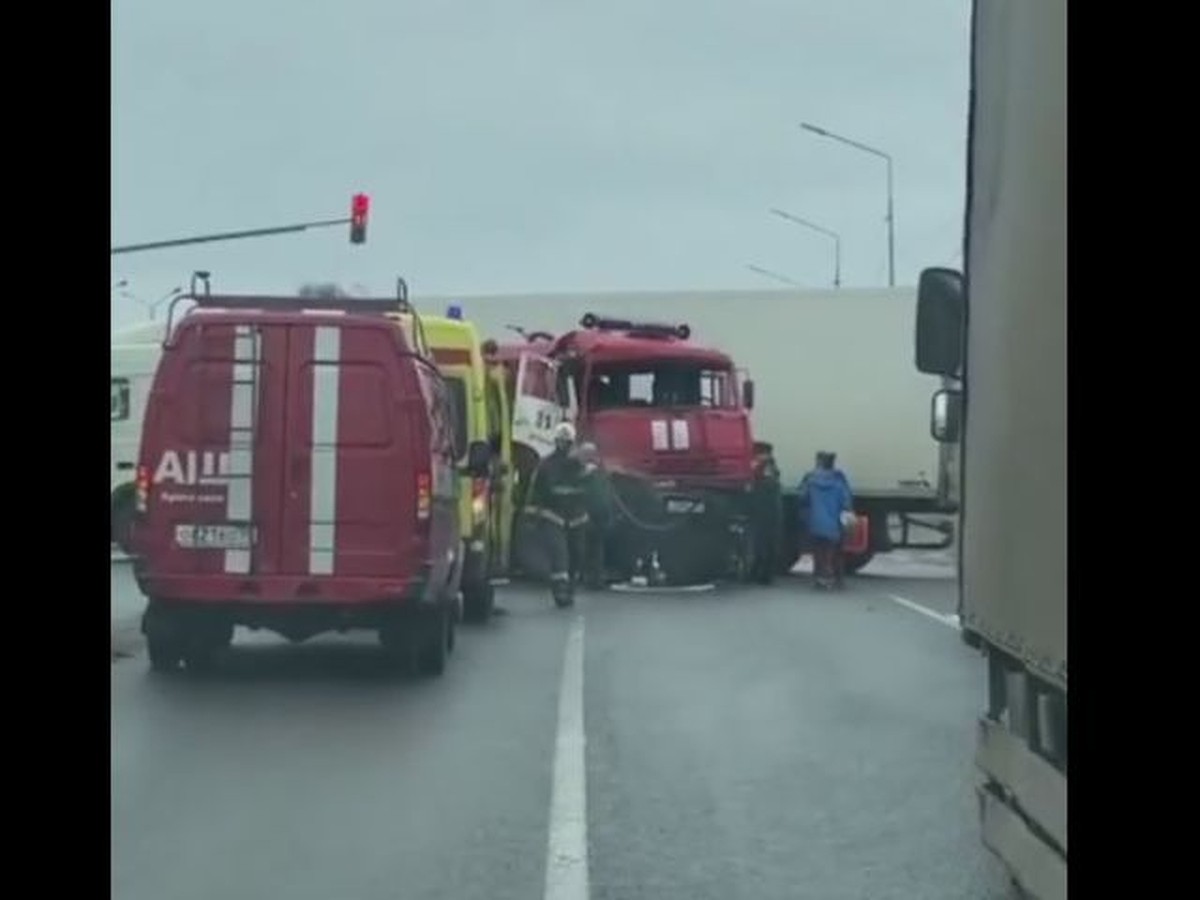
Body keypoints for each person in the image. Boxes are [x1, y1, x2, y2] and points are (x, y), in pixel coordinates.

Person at [522, 422, 589, 607]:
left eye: (567, 442)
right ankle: (560, 591)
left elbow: (590, 490)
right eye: (561, 441)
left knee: (577, 554)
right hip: (553, 516)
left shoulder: (580, 466)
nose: (564, 445)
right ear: (556, 441)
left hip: (576, 518)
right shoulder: (546, 465)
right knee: (560, 554)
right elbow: (535, 492)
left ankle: (570, 587)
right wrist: (530, 517)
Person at [799, 450, 854, 590]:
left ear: (819, 462)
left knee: (818, 551)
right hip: (833, 524)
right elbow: (846, 503)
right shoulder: (839, 482)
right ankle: (834, 578)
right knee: (833, 551)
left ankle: (819, 577)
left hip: (815, 522)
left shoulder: (810, 480)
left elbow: (803, 498)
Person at [576, 441, 615, 589]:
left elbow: (590, 496)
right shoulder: (601, 474)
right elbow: (606, 496)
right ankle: (596, 578)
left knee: (586, 547)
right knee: (597, 548)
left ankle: (588, 577)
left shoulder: (584, 474)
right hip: (600, 515)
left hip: (588, 515)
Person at [749, 441, 783, 584]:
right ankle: (765, 574)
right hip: (773, 510)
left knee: (762, 543)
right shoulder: (772, 467)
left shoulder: (765, 466)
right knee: (769, 543)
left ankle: (761, 574)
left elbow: (763, 486)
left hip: (765, 510)